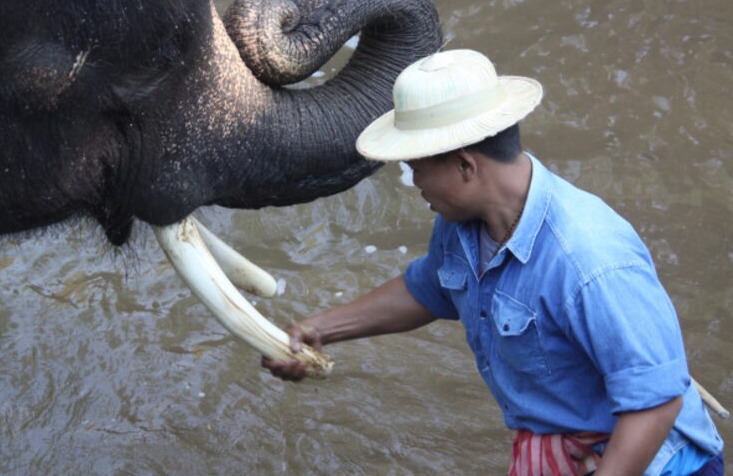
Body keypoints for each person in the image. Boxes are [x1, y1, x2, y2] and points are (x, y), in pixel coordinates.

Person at [261, 50, 725, 475]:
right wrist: (321, 330)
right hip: (564, 444)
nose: (412, 180)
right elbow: (432, 289)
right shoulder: (463, 223)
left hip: (651, 461)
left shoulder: (590, 260)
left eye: (416, 165)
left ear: (466, 167)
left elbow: (655, 404)